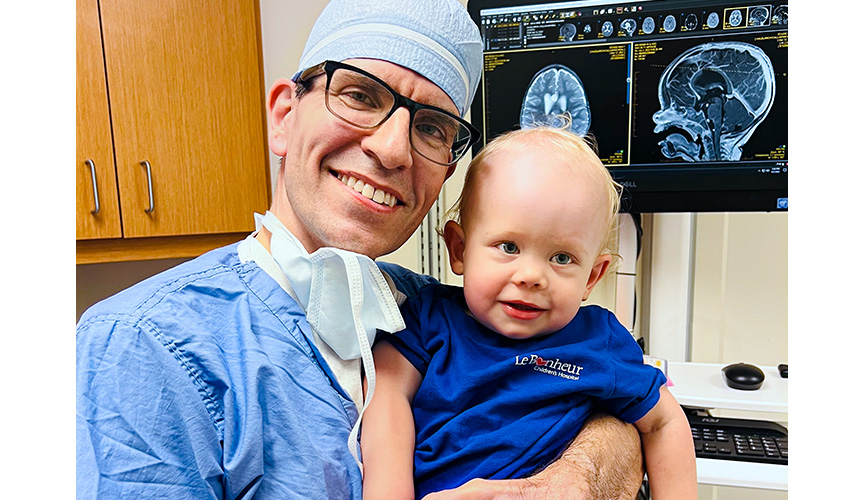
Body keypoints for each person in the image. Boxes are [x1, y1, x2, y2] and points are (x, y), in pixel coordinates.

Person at [76, 0, 645, 498]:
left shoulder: (437, 312)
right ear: (284, 116)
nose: (393, 149)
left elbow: (623, 411)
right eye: (359, 95)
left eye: (432, 128)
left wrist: (573, 479)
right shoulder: (140, 346)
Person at [361, 124, 698, 500]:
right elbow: (385, 395)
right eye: (508, 246)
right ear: (459, 249)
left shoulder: (598, 340)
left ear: (592, 277)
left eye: (562, 258)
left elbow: (664, 422)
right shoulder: (428, 320)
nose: (532, 276)